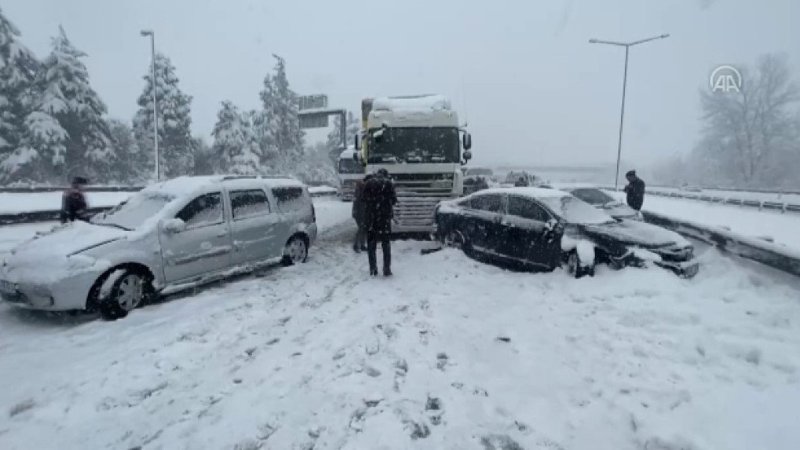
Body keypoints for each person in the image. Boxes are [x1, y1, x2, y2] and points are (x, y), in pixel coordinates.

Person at [362, 168, 397, 276]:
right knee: (386, 245)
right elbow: (394, 200)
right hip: (385, 219)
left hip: (372, 219)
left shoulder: (368, 183)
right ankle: (386, 269)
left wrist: (372, 206)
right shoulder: (388, 184)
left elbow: (363, 199)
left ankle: (373, 269)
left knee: (371, 245)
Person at [351, 174, 373, 252]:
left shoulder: (365, 188)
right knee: (361, 228)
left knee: (364, 228)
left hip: (363, 212)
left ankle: (362, 245)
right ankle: (356, 245)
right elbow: (357, 201)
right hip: (359, 212)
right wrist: (355, 211)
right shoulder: (360, 189)